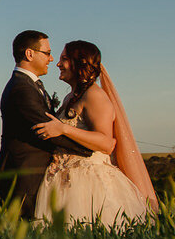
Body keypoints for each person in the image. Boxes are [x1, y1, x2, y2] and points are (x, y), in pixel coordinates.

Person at [31, 40, 158, 226]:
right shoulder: (71, 97)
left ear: (80, 63)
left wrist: (64, 128)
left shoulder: (94, 96)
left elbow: (106, 143)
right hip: (64, 180)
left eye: (64, 59)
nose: (58, 64)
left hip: (88, 183)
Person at [0, 30, 92, 219]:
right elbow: (47, 130)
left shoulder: (31, 85)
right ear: (29, 54)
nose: (51, 59)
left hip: (34, 176)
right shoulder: (21, 89)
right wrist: (89, 150)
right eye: (47, 53)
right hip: (24, 178)